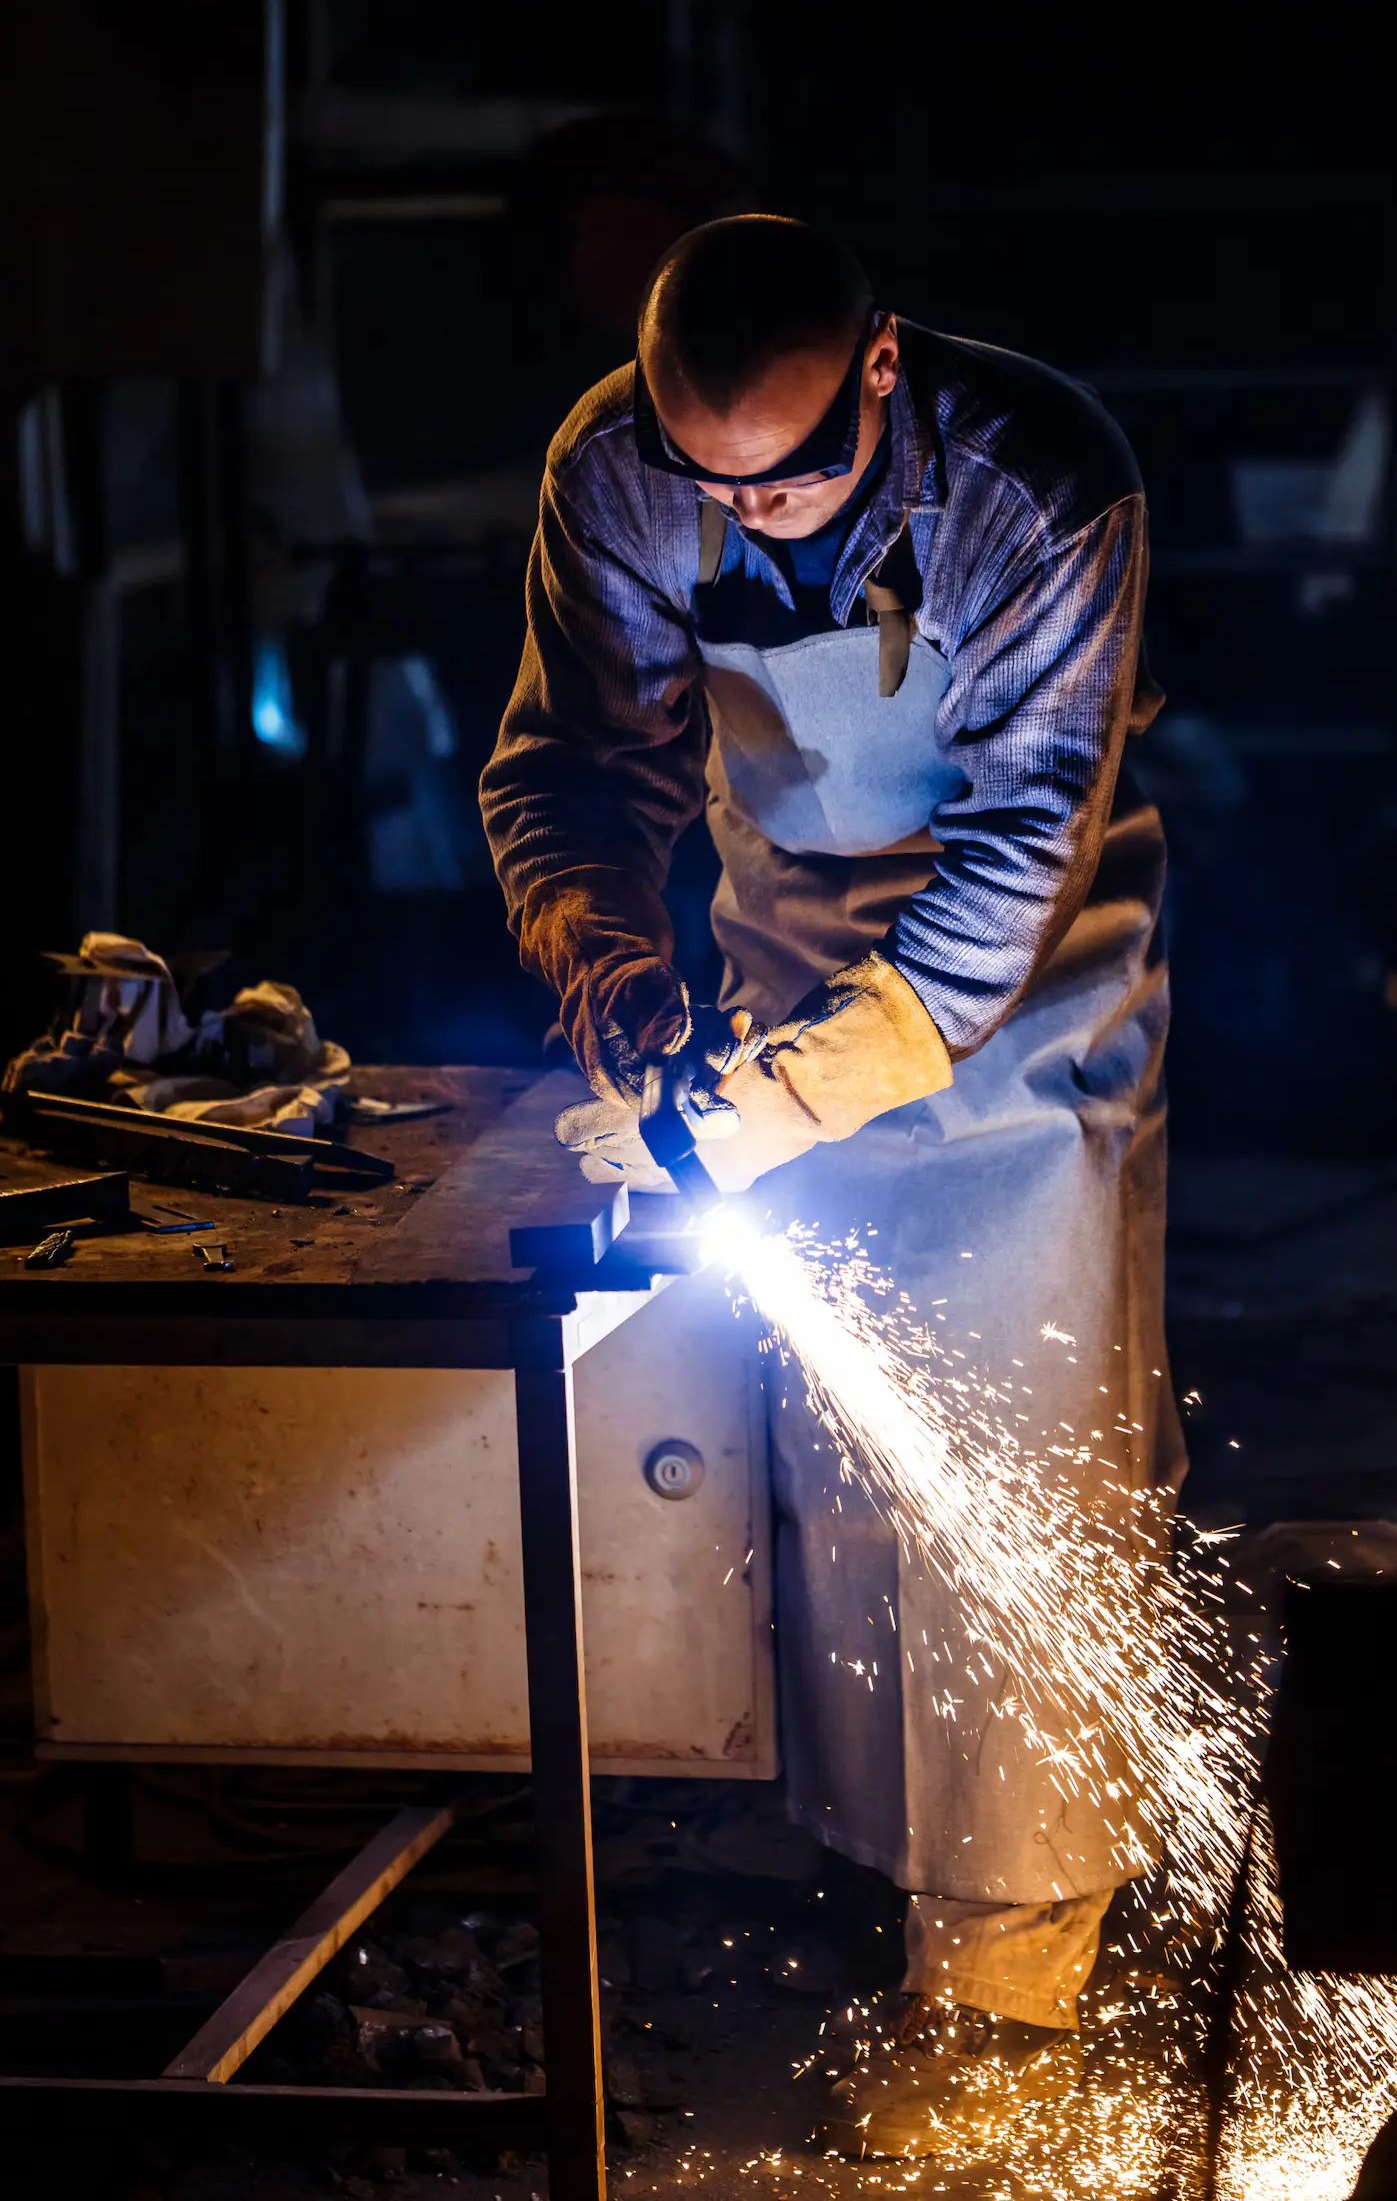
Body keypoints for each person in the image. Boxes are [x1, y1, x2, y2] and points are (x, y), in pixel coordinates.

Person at [482, 214, 1186, 2157]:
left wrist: (780, 1104)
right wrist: (608, 969)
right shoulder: (609, 478)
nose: (752, 518)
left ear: (879, 368)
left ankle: (1012, 1995)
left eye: (789, 478)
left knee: (1018, 1465)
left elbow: (1007, 867)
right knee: (859, 1481)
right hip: (777, 958)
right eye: (713, 485)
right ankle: (892, 1890)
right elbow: (569, 774)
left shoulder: (1035, 483)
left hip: (1021, 1009)